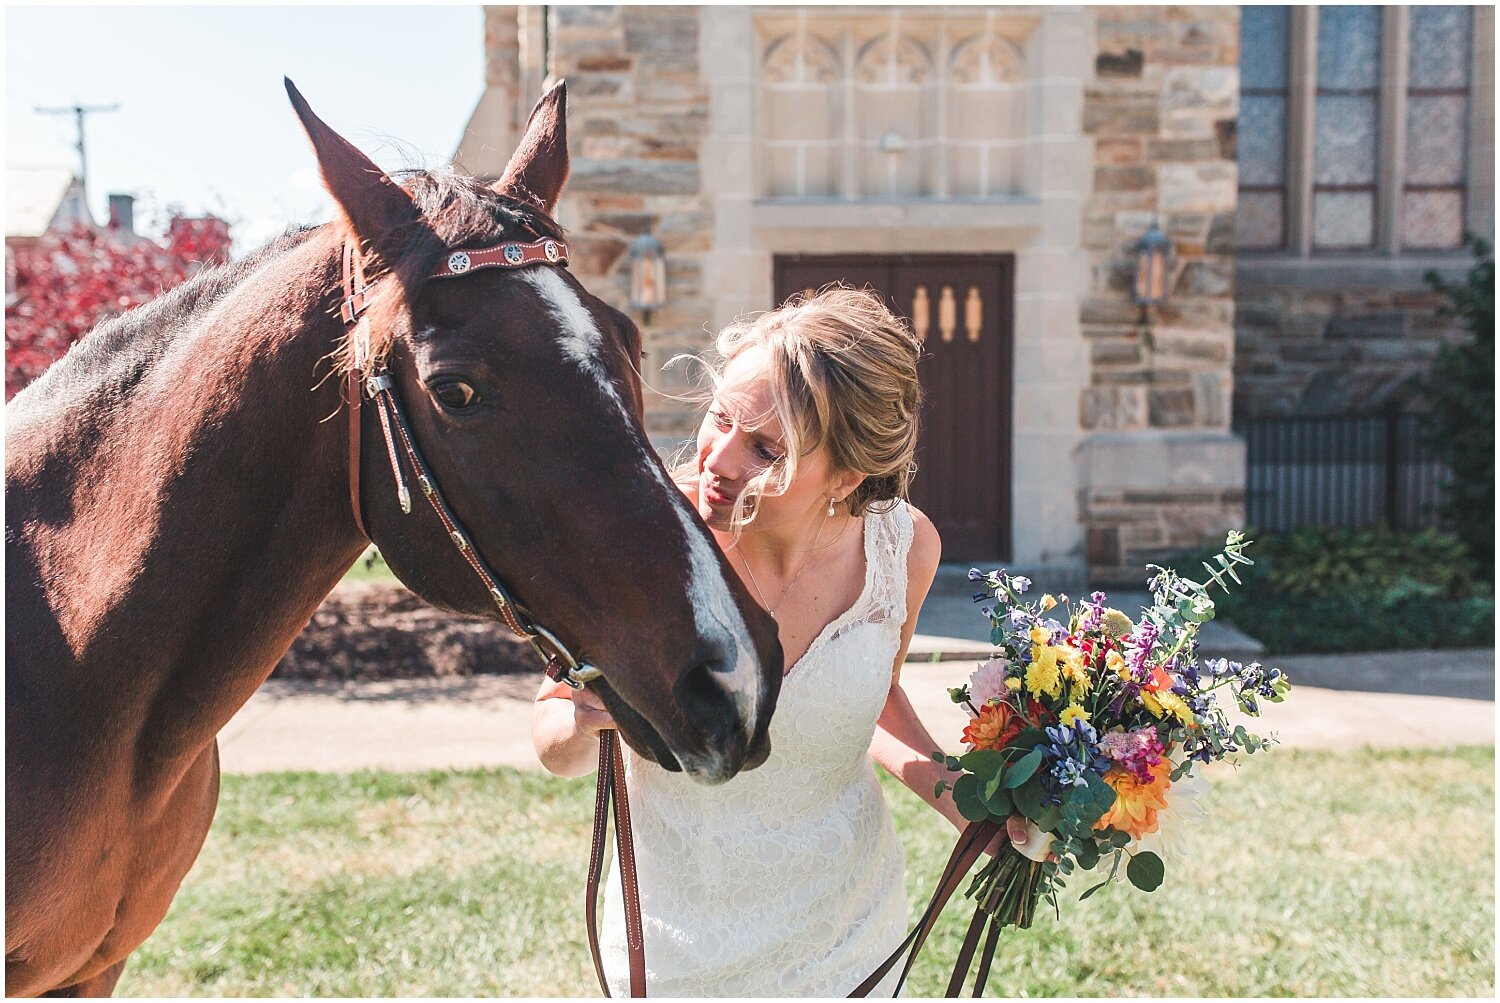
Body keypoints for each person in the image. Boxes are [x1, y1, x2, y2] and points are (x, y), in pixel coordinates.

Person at [531, 286, 970, 997]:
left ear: (849, 475)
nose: (720, 459)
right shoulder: (644, 541)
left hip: (850, 937)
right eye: (720, 418)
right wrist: (584, 716)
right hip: (676, 949)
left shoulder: (904, 548)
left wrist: (960, 798)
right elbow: (552, 736)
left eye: (765, 448)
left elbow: (871, 694)